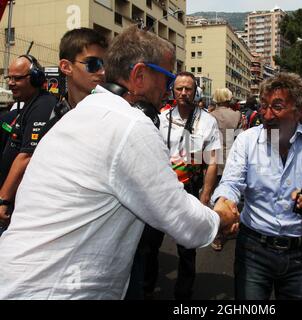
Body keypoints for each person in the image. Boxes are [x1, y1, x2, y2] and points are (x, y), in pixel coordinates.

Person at [0, 25, 238, 300]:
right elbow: (182, 219)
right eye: (167, 76)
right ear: (139, 75)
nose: (169, 87)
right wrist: (221, 217)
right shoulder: (130, 125)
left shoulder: (83, 113)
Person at [212, 73, 302, 300]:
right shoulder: (246, 140)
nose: (267, 115)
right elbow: (231, 183)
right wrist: (223, 204)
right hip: (253, 250)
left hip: (299, 252)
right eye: (263, 106)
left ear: (298, 110)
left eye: (277, 107)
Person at [141, 71, 222, 300]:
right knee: (149, 245)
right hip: (158, 189)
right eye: (179, 89)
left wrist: (205, 198)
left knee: (187, 248)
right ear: (172, 91)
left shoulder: (208, 121)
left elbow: (212, 160)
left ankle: (183, 295)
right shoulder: (161, 117)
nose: (184, 93)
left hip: (188, 190)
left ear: (196, 91)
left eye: (188, 89)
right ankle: (147, 289)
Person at [0, 55, 58, 236]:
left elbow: (27, 156)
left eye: (17, 78)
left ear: (35, 78)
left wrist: (3, 200)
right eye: (9, 78)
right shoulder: (28, 105)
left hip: (20, 206)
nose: (11, 83)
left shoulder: (43, 105)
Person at [42, 27, 108, 133]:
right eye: (92, 64)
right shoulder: (52, 125)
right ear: (66, 67)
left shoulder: (116, 114)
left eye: (105, 64)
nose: (102, 72)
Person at [209, 88, 244, 251]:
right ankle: (230, 225)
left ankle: (216, 234)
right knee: (229, 195)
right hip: (231, 157)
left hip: (212, 158)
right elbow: (240, 137)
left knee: (213, 196)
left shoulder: (209, 115)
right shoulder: (237, 116)